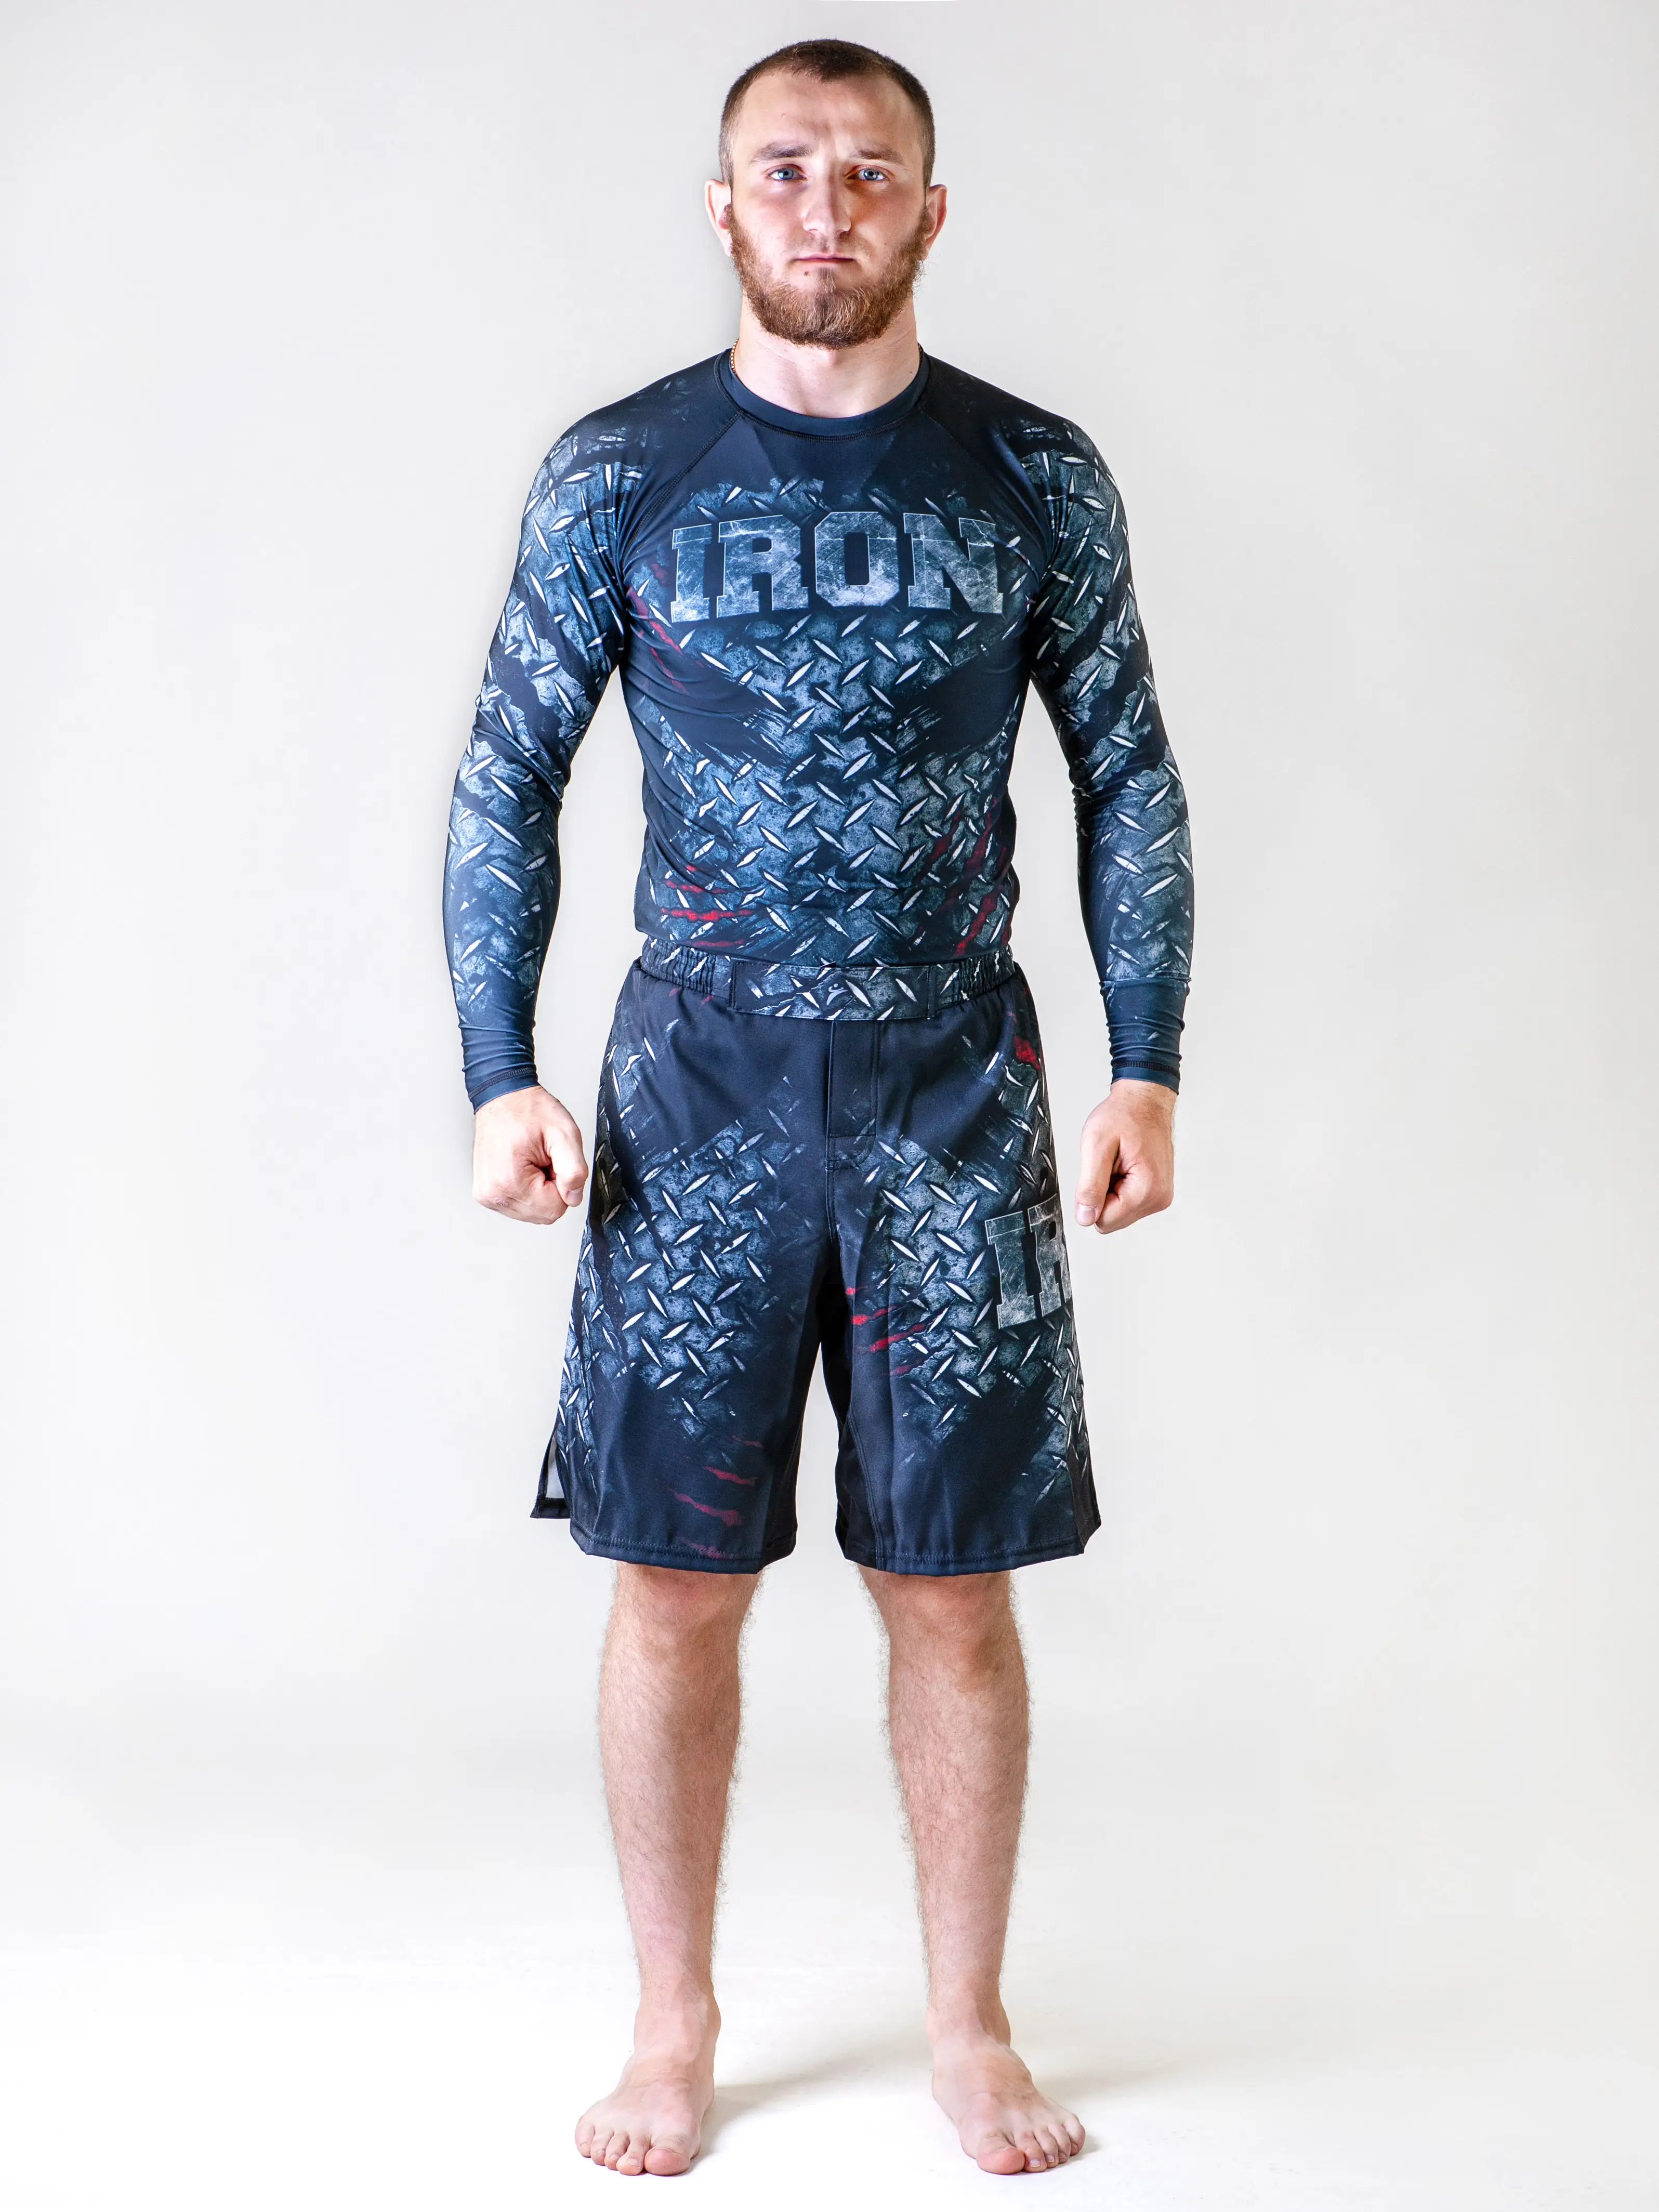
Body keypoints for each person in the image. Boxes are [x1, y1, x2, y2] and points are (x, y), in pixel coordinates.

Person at [443, 37, 1193, 2179]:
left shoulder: (1031, 475)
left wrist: (1146, 1058)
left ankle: (968, 2022)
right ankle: (672, 2022)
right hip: (699, 1086)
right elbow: (506, 773)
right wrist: (498, 1067)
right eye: (785, 170)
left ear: (931, 213)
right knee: (673, 1579)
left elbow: (1128, 772)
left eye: (871, 174)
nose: (827, 207)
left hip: (956, 1087)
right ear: (723, 206)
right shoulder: (622, 472)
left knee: (953, 1585)